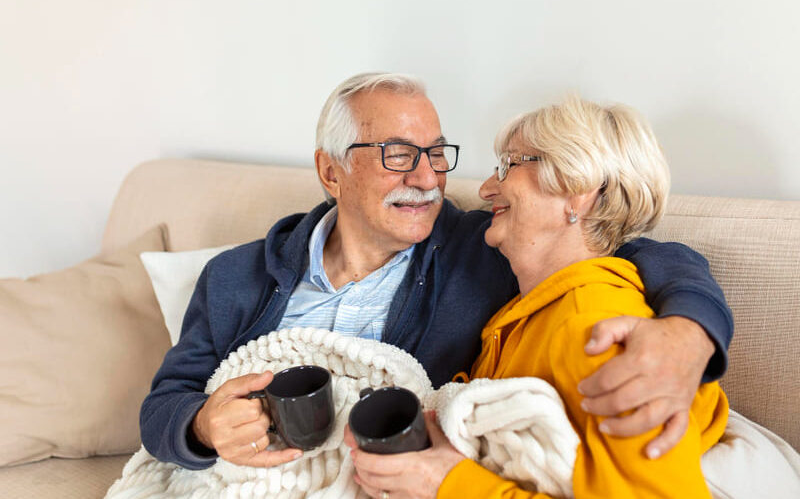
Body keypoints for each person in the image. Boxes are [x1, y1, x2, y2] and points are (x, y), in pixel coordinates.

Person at [140, 73, 732, 472]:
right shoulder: (233, 277)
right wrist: (200, 424)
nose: (426, 178)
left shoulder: (484, 247)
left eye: (436, 154)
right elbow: (165, 400)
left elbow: (628, 248)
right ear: (331, 171)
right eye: (398, 154)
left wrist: (690, 332)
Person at [346, 96, 728, 499]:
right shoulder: (527, 311)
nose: (486, 187)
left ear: (577, 189)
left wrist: (449, 484)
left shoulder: (598, 331)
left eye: (509, 165)